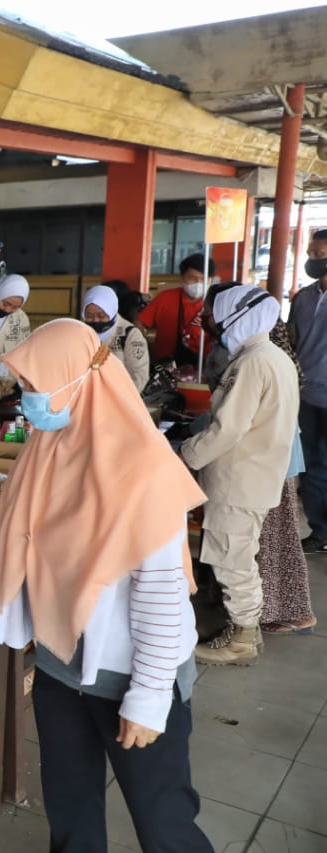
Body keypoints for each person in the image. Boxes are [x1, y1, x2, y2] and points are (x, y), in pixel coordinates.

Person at [0, 319, 211, 852]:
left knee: (163, 820)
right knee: (71, 811)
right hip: (60, 667)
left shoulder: (145, 471)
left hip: (132, 672)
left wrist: (148, 698)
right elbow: (8, 543)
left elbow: (161, 596)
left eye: (34, 386)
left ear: (79, 381)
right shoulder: (45, 450)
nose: (26, 399)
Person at [183, 285, 298, 665]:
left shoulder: (252, 363)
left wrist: (186, 455)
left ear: (237, 316)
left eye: (215, 315)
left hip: (239, 478)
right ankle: (246, 632)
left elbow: (228, 428)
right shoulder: (274, 357)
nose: (212, 324)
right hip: (256, 474)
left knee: (232, 559)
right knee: (239, 554)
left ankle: (242, 639)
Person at [256, 321, 316, 634]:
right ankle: (285, 610)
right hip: (281, 458)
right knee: (280, 540)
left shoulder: (264, 362)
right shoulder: (281, 360)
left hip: (274, 462)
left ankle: (282, 612)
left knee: (274, 542)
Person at [289, 229, 327, 552]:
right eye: (311, 254)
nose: (313, 259)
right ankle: (320, 531)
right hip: (307, 396)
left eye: (319, 254)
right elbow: (292, 341)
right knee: (311, 465)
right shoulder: (302, 298)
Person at [138, 254, 215, 365]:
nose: (198, 283)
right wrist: (143, 345)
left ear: (211, 280)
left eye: (203, 279)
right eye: (192, 278)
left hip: (204, 366)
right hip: (165, 365)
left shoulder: (215, 303)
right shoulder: (165, 298)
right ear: (182, 278)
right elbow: (139, 322)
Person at [82, 285, 150, 393]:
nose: (95, 320)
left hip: (118, 396)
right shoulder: (80, 332)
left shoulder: (130, 335)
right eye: (89, 316)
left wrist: (118, 398)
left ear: (111, 311)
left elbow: (139, 375)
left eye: (101, 316)